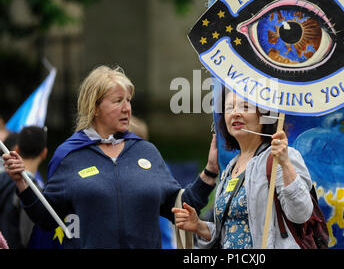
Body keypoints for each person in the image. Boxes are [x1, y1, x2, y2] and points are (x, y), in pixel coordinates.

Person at [2, 65, 218, 248]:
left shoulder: (146, 151)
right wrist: (21, 181)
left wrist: (209, 173)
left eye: (129, 100)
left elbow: (181, 208)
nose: (127, 109)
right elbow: (46, 219)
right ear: (94, 107)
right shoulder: (70, 155)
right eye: (117, 101)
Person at [172, 88, 313, 249]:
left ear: (264, 116)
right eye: (229, 108)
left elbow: (301, 213)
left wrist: (285, 163)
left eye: (245, 107)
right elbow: (231, 231)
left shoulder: (280, 157)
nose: (235, 113)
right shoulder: (231, 167)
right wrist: (199, 226)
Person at [0, 126, 47, 249]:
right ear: (44, 153)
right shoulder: (31, 192)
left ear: (16, 149)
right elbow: (28, 237)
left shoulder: (2, 180)